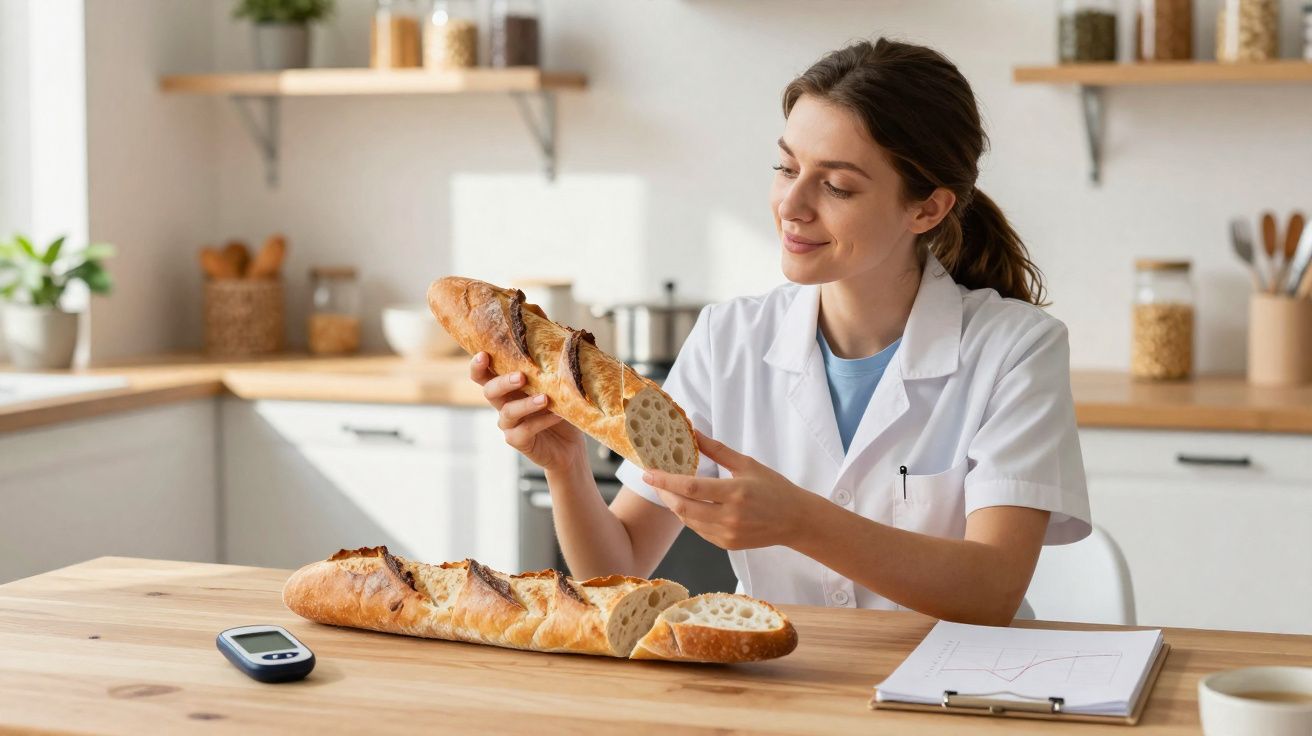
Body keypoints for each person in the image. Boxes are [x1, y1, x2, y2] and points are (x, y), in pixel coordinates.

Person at [469, 38, 1090, 626]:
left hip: (954, 688)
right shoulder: (727, 338)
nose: (792, 204)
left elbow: (992, 590)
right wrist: (566, 468)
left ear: (926, 208)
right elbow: (619, 566)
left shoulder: (1016, 348)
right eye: (786, 166)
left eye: (837, 185)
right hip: (782, 681)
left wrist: (801, 522)